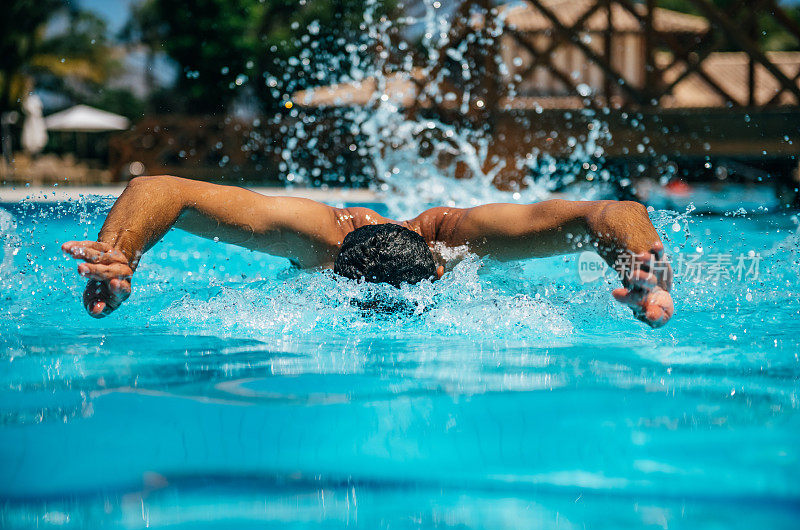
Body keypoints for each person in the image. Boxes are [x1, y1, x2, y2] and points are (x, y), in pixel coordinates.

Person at [62, 175, 674, 327]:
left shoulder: (461, 237)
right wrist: (123, 251)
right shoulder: (315, 235)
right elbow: (158, 189)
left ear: (442, 266)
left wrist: (645, 266)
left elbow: (606, 212)